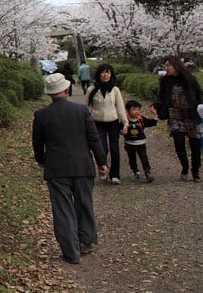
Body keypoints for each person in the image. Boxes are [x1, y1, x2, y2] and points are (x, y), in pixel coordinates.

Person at [33, 72, 108, 265]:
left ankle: (71, 251)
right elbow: (94, 138)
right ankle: (86, 241)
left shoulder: (41, 115)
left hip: (56, 168)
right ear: (67, 89)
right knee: (84, 203)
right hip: (82, 164)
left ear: (50, 93)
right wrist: (101, 162)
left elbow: (38, 143)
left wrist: (41, 160)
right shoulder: (81, 111)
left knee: (63, 210)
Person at [152, 55, 203, 182]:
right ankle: (185, 167)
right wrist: (156, 106)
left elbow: (200, 93)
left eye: (169, 65)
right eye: (166, 65)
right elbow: (162, 98)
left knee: (195, 145)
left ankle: (195, 171)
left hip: (192, 114)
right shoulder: (165, 81)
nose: (167, 68)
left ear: (176, 66)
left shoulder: (190, 78)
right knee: (178, 142)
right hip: (175, 115)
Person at [85, 63, 128, 184]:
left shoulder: (115, 90)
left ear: (111, 74)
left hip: (113, 122)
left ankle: (115, 174)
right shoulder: (92, 89)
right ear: (99, 74)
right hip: (97, 122)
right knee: (102, 148)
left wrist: (125, 122)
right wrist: (86, 122)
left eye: (107, 72)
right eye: (103, 72)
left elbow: (120, 107)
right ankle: (103, 170)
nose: (105, 75)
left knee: (115, 149)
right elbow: (86, 107)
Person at [122, 100, 158, 182]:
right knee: (132, 159)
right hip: (129, 143)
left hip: (141, 143)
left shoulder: (141, 119)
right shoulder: (125, 120)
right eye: (134, 109)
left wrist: (155, 114)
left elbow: (152, 123)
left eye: (138, 109)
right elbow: (119, 129)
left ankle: (147, 172)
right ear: (128, 110)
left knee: (144, 158)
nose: (136, 111)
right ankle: (135, 171)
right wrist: (122, 131)